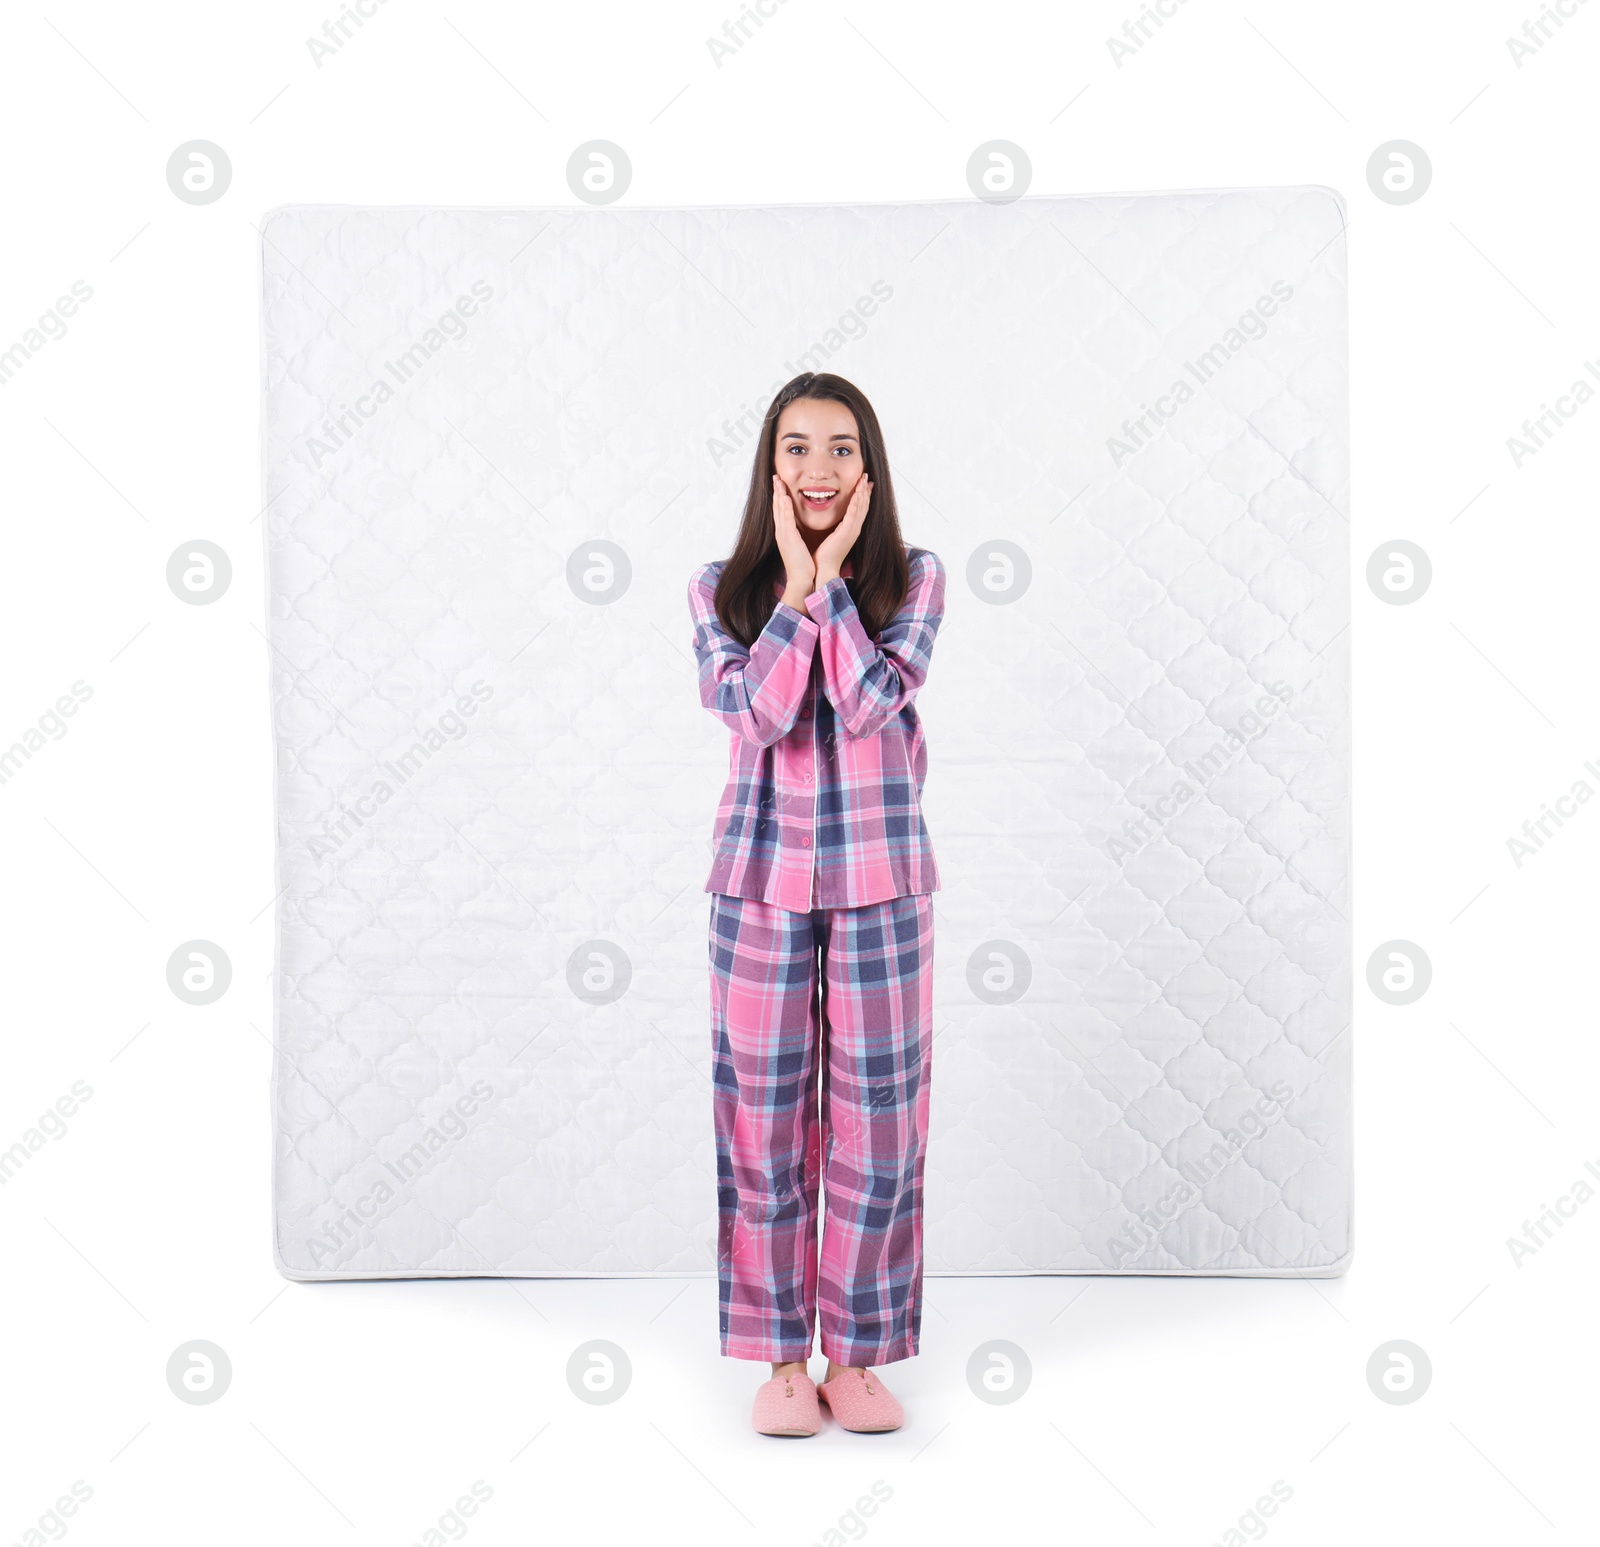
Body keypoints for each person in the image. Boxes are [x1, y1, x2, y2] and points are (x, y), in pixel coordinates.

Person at [686, 371, 946, 1437]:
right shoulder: (718, 587)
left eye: (841, 448)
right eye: (796, 448)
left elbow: (875, 699)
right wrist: (791, 588)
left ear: (870, 470)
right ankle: (782, 1356)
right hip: (756, 886)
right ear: (769, 465)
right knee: (763, 1125)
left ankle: (862, 1352)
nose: (818, 468)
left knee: (878, 1129)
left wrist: (834, 579)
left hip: (884, 886)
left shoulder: (916, 579)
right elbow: (755, 709)